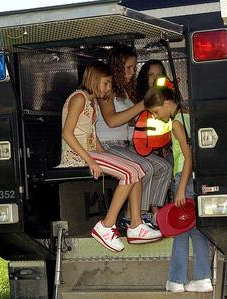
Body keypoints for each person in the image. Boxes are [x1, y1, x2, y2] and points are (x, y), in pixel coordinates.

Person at [58, 61, 162, 252]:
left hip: (90, 153)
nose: (108, 89)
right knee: (130, 173)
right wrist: (90, 160)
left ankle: (136, 225)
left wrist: (106, 157)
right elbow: (67, 133)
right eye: (105, 84)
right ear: (93, 80)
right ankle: (106, 226)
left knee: (136, 170)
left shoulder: (92, 102)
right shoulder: (79, 99)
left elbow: (92, 133)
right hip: (77, 156)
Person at [144, 80, 213, 293]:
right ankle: (201, 277)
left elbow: (187, 156)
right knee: (195, 230)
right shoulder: (189, 115)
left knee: (180, 228)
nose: (155, 117)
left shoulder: (176, 123)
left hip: (184, 178)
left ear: (166, 103)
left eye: (155, 112)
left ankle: (177, 279)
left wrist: (181, 188)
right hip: (194, 178)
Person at [97, 47, 172, 225]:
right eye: (128, 67)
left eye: (133, 67)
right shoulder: (106, 90)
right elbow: (112, 121)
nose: (132, 72)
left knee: (163, 167)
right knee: (144, 166)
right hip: (108, 144)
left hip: (125, 144)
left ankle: (148, 212)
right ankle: (132, 216)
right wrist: (141, 106)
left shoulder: (124, 91)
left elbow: (129, 120)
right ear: (117, 67)